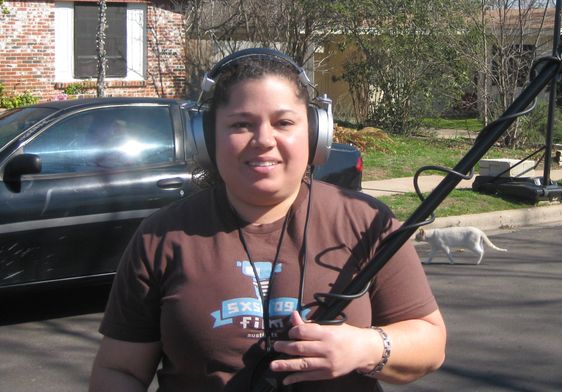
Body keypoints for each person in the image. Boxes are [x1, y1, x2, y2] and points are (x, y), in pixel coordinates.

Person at [89, 49, 446, 391]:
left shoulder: (366, 221)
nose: (263, 140)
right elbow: (119, 369)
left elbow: (430, 342)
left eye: (284, 122)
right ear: (206, 138)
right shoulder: (162, 236)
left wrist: (366, 348)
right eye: (241, 124)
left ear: (315, 133)